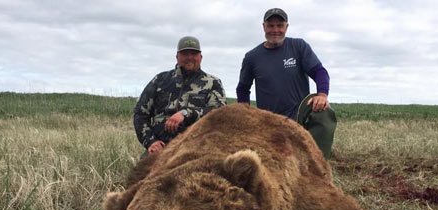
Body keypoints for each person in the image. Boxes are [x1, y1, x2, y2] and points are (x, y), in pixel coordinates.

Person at [236, 8, 337, 159]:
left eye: (280, 25)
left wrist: (322, 95)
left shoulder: (299, 47)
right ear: (263, 27)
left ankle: (317, 163)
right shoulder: (252, 57)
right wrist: (246, 114)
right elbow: (243, 88)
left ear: (286, 27)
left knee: (324, 113)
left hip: (299, 119)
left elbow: (319, 72)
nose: (275, 30)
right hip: (269, 121)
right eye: (271, 26)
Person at [134, 36, 227, 155]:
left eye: (193, 54)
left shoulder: (213, 83)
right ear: (177, 57)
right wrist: (150, 141)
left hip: (197, 148)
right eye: (185, 54)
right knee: (140, 173)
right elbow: (140, 113)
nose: (189, 58)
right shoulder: (160, 80)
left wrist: (186, 113)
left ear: (200, 57)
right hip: (161, 147)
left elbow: (219, 113)